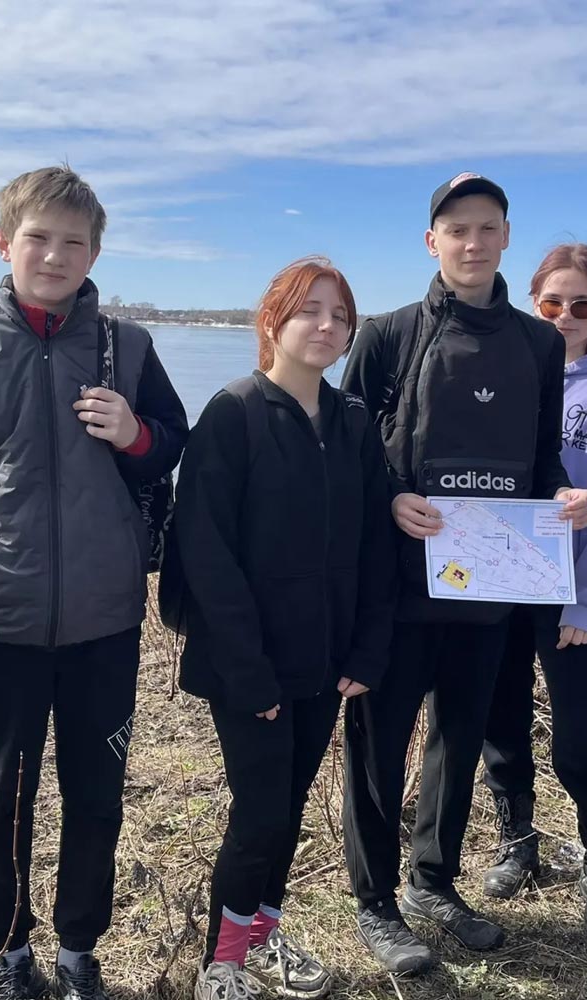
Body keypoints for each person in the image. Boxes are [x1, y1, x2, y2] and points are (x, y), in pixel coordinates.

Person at [0, 165, 188, 1000]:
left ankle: (77, 952)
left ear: (95, 253)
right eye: (38, 238)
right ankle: (9, 952)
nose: (55, 255)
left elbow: (170, 446)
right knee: (2, 799)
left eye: (74, 241)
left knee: (97, 794)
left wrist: (133, 433)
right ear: (5, 243)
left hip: (104, 617)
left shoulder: (128, 347)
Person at [338, 173, 587, 975]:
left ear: (506, 237)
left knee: (457, 740)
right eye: (457, 229)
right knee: (378, 747)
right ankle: (375, 900)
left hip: (489, 583)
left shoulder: (538, 344)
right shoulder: (387, 335)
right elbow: (346, 449)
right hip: (396, 585)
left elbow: (543, 455)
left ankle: (432, 882)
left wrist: (564, 494)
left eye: (487, 228)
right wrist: (391, 498)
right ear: (432, 242)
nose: (472, 242)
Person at [165, 257, 397, 1000]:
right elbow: (206, 555)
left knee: (289, 807)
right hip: (251, 666)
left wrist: (368, 648)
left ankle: (261, 936)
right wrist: (248, 672)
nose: (327, 326)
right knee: (260, 813)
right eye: (310, 311)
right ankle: (222, 964)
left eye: (340, 315)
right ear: (273, 321)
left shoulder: (352, 422)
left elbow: (376, 545)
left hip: (324, 661)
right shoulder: (232, 415)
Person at [477, 244, 587, 949]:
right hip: (494, 580)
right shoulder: (505, 372)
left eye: (582, 303)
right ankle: (516, 836)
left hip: (570, 593)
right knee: (500, 716)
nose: (566, 316)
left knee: (586, 736)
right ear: (533, 302)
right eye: (552, 302)